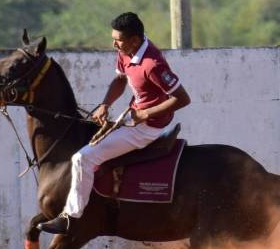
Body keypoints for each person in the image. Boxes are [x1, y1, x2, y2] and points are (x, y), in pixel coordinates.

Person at [38, 12, 191, 234]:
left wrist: (147, 114)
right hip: (133, 117)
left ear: (135, 40)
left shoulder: (152, 64)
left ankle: (71, 217)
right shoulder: (126, 52)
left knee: (82, 158)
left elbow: (183, 99)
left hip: (147, 128)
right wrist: (105, 104)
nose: (114, 44)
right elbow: (120, 79)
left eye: (118, 40)